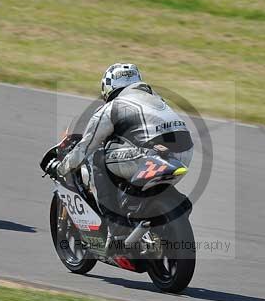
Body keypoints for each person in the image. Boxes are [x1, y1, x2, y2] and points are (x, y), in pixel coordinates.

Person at [45, 63, 193, 225]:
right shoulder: (157, 100)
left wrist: (62, 167)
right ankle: (159, 205)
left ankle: (114, 220)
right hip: (184, 152)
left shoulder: (112, 107)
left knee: (97, 156)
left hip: (151, 154)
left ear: (108, 87)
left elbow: (86, 146)